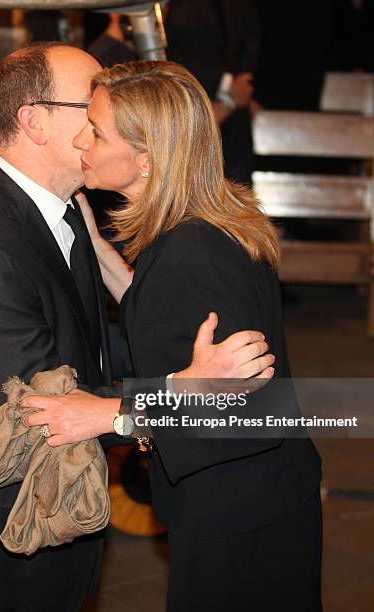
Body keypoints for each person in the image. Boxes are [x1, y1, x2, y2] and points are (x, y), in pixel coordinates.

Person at [0, 44, 275, 612]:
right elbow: (50, 407)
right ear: (34, 119)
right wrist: (183, 388)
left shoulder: (64, 212)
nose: (102, 120)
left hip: (27, 526)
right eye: (91, 103)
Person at [23, 61, 323, 611]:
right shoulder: (199, 224)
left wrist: (111, 415)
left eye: (97, 131)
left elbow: (244, 411)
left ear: (146, 157)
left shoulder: (192, 253)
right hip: (259, 497)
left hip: (240, 514)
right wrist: (97, 247)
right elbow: (167, 312)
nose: (80, 139)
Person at [165, 0, 261, 184]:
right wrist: (226, 85)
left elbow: (251, 39)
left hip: (234, 123)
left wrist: (244, 86)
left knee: (237, 192)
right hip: (186, 107)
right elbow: (166, 53)